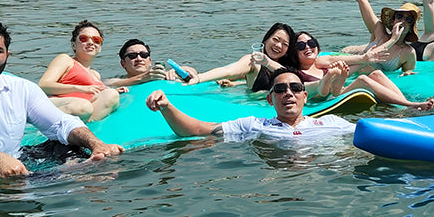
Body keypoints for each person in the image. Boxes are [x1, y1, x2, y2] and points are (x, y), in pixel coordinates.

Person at [0, 18, 124, 177]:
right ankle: (68, 176)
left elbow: (62, 123)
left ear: (7, 56)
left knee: (75, 144)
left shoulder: (21, 88)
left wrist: (96, 144)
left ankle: (76, 173)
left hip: (18, 160)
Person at [145, 66, 356, 140]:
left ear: (305, 96)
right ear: (270, 99)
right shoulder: (254, 125)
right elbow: (198, 129)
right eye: (280, 90)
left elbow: (367, 130)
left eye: (296, 88)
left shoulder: (331, 123)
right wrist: (167, 106)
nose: (289, 93)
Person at [293, 31, 434, 110]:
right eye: (300, 46)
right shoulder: (296, 72)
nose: (307, 47)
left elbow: (363, 59)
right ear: (294, 52)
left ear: (316, 46)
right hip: (323, 98)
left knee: (376, 73)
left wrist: (393, 40)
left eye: (311, 43)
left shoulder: (321, 62)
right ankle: (410, 105)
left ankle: (404, 105)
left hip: (336, 91)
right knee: (362, 79)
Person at [37, 20, 121, 122]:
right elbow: (43, 86)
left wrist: (108, 90)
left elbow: (93, 93)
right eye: (83, 38)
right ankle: (43, 132)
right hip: (62, 104)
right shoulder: (66, 60)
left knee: (111, 95)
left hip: (84, 111)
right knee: (83, 107)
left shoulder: (95, 74)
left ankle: (84, 130)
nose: (90, 42)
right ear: (73, 45)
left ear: (100, 48)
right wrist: (80, 88)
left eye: (96, 40)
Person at [186, 23, 299, 90]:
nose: (278, 46)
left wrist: (236, 84)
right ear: (266, 39)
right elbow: (229, 71)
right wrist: (199, 78)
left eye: (285, 44)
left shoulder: (288, 67)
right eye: (275, 39)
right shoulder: (254, 61)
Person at [110, 38, 188, 87]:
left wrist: (184, 71)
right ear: (123, 63)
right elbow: (108, 84)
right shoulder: (118, 81)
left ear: (150, 61)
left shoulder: (160, 75)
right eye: (132, 55)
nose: (139, 59)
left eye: (143, 55)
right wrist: (144, 77)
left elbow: (192, 76)